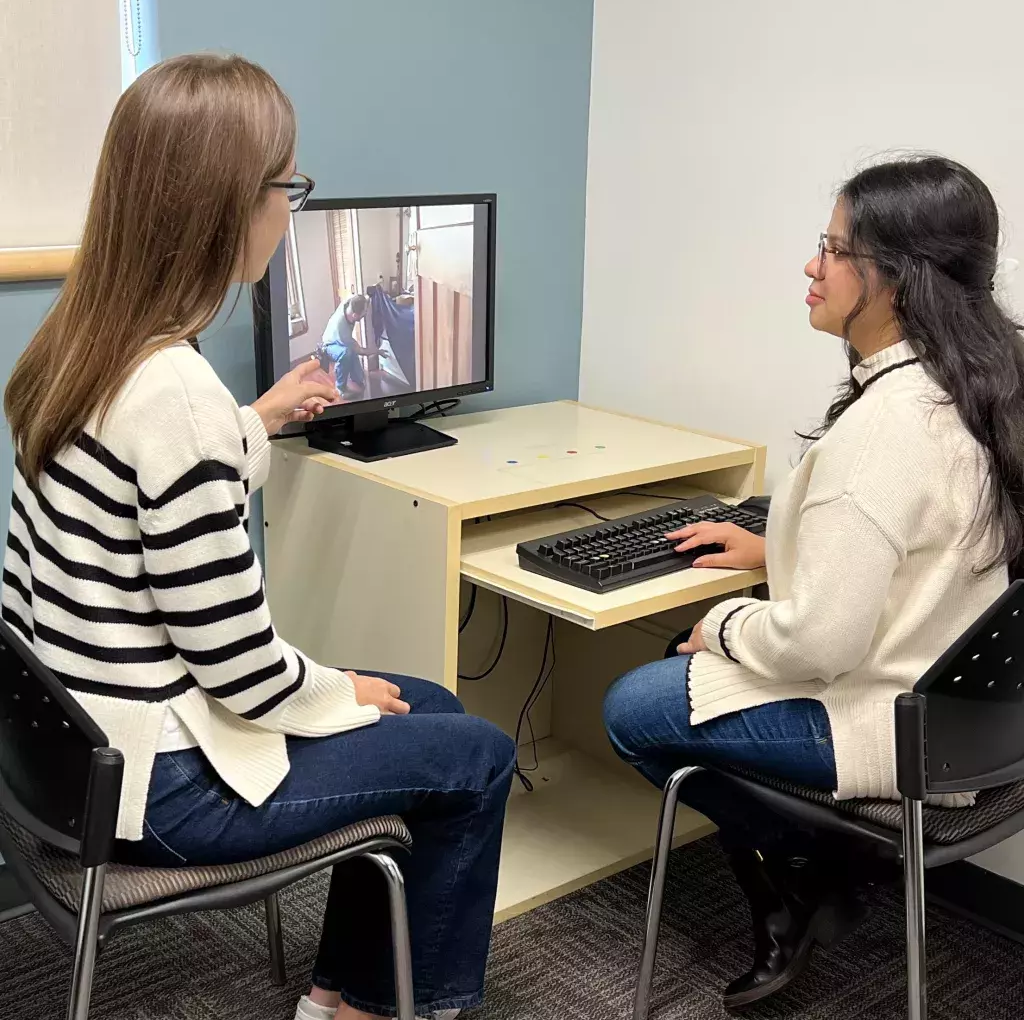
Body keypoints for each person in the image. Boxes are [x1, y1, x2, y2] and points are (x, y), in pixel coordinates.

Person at [0, 53, 514, 1020]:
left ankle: (344, 992)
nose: (292, 208)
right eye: (289, 186)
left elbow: (141, 489)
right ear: (227, 204)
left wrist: (256, 420)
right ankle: (379, 1008)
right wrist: (339, 694)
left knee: (429, 700)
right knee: (475, 751)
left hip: (76, 759)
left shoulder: (79, 341)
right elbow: (243, 673)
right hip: (164, 790)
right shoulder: (175, 394)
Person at [603, 156, 1024, 1009]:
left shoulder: (883, 431)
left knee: (632, 707)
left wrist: (718, 624)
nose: (810, 266)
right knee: (679, 673)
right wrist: (773, 550)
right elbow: (927, 543)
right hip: (969, 725)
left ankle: (802, 874)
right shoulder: (981, 385)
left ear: (896, 280)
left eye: (833, 250)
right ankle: (816, 870)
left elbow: (818, 643)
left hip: (886, 723)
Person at [319, 292, 387, 397]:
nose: (365, 314)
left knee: (360, 379)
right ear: (355, 315)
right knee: (347, 352)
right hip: (330, 345)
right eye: (364, 312)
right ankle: (340, 388)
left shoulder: (349, 302)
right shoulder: (342, 329)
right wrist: (377, 351)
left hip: (341, 341)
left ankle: (356, 378)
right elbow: (360, 350)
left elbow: (360, 297)